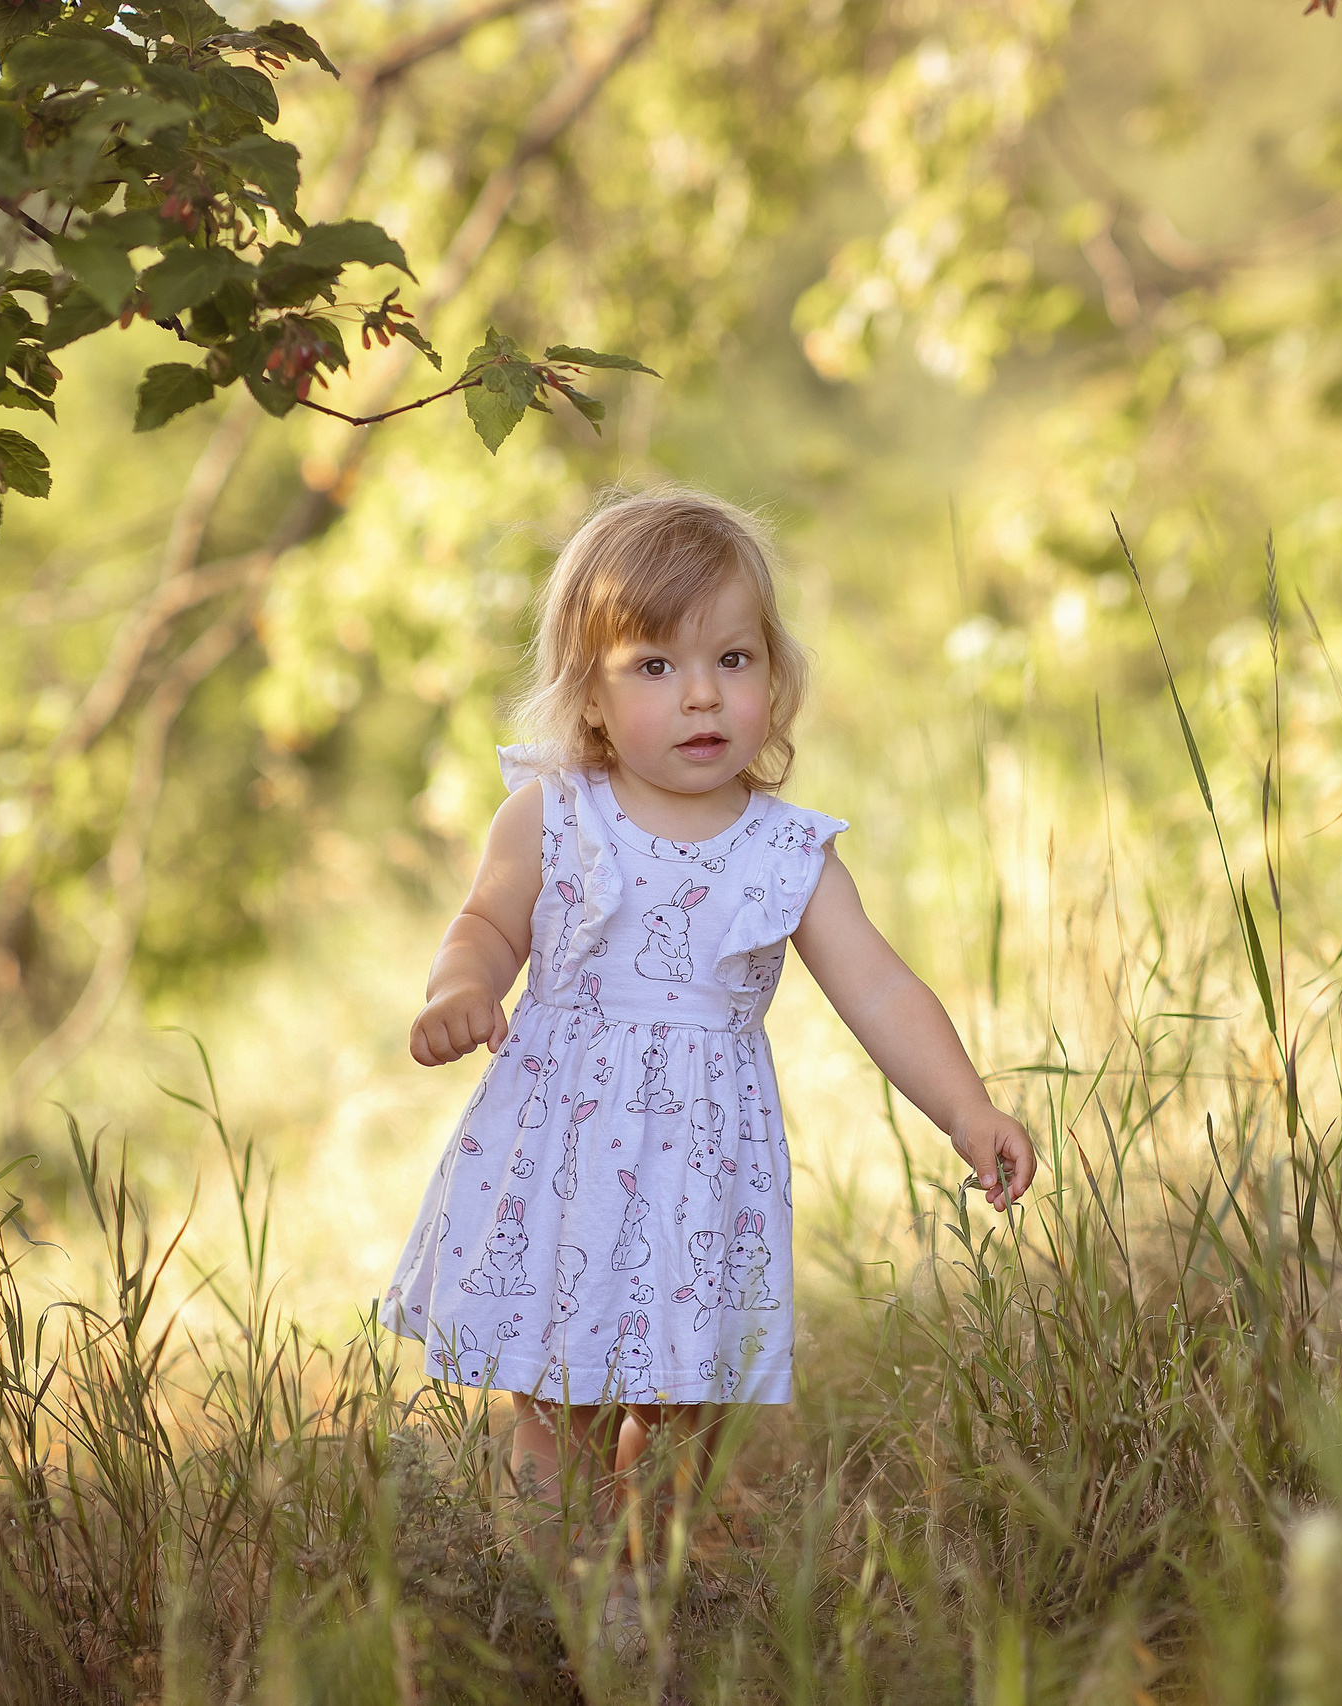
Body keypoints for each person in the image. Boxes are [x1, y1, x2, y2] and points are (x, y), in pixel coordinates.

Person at [380, 485, 1035, 1659]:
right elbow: (486, 921)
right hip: (566, 1159)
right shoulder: (553, 813)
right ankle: (569, 1599)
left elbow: (877, 987)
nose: (699, 693)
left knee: (690, 1409)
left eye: (731, 657)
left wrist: (965, 1102)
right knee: (558, 1399)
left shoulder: (785, 848)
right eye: (652, 664)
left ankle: (654, 1564)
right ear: (587, 690)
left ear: (773, 680)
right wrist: (459, 988)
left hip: (702, 1172)